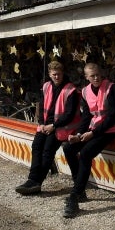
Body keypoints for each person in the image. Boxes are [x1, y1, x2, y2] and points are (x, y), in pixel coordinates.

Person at [61, 62, 115, 218]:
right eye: (92, 76)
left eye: (98, 74)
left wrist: (93, 133)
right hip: (94, 129)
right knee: (68, 148)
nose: (96, 78)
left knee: (86, 153)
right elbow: (87, 116)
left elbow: (112, 117)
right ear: (86, 77)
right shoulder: (85, 91)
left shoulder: (112, 88)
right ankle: (80, 190)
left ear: (101, 73)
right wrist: (79, 133)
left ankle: (74, 197)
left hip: (110, 129)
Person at [14, 60, 81, 195]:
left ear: (63, 74)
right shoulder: (46, 87)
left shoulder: (71, 90)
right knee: (36, 146)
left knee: (47, 151)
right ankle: (32, 179)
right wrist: (42, 123)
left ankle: (37, 182)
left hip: (61, 127)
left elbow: (69, 114)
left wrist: (53, 126)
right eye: (54, 74)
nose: (57, 77)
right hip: (45, 125)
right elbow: (43, 106)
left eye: (59, 74)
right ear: (50, 74)